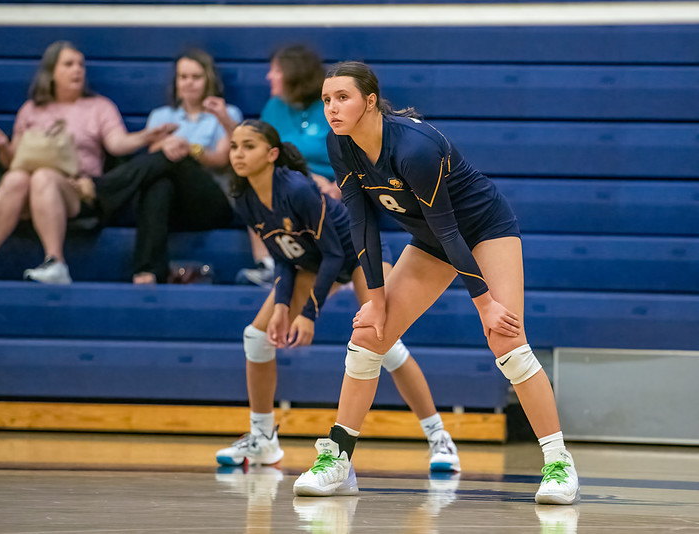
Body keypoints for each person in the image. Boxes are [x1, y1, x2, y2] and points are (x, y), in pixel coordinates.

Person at [293, 61, 579, 505]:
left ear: (370, 101)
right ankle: (339, 461)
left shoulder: (415, 148)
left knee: (507, 340)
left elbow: (450, 229)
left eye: (343, 97)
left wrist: (485, 305)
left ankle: (559, 464)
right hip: (431, 240)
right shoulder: (340, 144)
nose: (332, 108)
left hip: (483, 230)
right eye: (327, 99)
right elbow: (361, 223)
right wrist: (376, 300)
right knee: (369, 334)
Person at [215, 120, 460, 476]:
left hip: (358, 255)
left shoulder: (297, 189)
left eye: (248, 146)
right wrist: (282, 306)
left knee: (385, 343)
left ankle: (439, 437)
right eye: (234, 147)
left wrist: (308, 314)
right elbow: (284, 256)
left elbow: (334, 253)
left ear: (271, 154)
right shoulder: (244, 196)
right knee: (256, 337)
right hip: (313, 263)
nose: (238, 154)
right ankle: (263, 438)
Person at [0, 40, 169, 283]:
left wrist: (146, 136)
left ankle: (56, 262)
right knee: (15, 177)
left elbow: (117, 143)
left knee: (43, 177)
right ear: (52, 72)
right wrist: (1, 146)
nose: (77, 70)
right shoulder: (31, 109)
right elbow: (13, 160)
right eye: (69, 64)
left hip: (76, 189)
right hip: (27, 190)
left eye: (81, 65)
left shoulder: (99, 107)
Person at [95, 48, 239, 284]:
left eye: (196, 77)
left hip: (211, 201)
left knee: (175, 159)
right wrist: (167, 146)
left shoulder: (227, 113)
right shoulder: (161, 116)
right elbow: (154, 162)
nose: (189, 83)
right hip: (171, 205)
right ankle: (147, 272)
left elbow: (223, 161)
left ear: (209, 80)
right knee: (158, 183)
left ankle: (99, 189)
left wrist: (190, 149)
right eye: (183, 77)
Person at [237, 45, 339, 289]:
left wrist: (339, 187)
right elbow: (263, 154)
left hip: (335, 187)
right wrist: (307, 178)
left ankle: (332, 270)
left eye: (275, 70)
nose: (268, 76)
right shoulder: (273, 107)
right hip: (290, 181)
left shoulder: (330, 105)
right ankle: (268, 266)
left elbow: (360, 155)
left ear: (294, 73)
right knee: (253, 185)